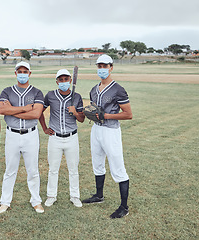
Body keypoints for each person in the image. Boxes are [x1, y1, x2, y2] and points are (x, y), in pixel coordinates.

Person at [81, 54, 133, 219]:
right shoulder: (93, 89)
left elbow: (128, 114)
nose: (102, 69)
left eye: (105, 66)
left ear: (111, 67)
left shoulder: (118, 89)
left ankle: (124, 207)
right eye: (99, 66)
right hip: (96, 130)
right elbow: (94, 111)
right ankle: (99, 196)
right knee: (97, 164)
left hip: (111, 131)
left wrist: (106, 117)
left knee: (118, 169)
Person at [0, 61, 45, 214]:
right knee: (10, 170)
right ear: (15, 73)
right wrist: (24, 108)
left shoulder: (37, 92)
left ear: (30, 73)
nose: (22, 74)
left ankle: (36, 201)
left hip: (31, 134)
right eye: (20, 71)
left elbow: (36, 114)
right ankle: (5, 202)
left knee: (33, 170)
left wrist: (11, 110)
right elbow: (1, 110)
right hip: (12, 133)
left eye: (25, 71)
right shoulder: (7, 91)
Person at [39, 69, 85, 208]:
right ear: (57, 81)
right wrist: (44, 128)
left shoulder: (76, 97)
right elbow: (39, 111)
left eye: (66, 79)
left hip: (72, 137)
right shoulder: (50, 95)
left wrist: (75, 112)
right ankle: (51, 195)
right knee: (53, 168)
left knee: (73, 169)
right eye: (61, 79)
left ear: (70, 80)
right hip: (55, 137)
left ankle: (75, 196)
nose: (64, 82)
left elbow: (82, 119)